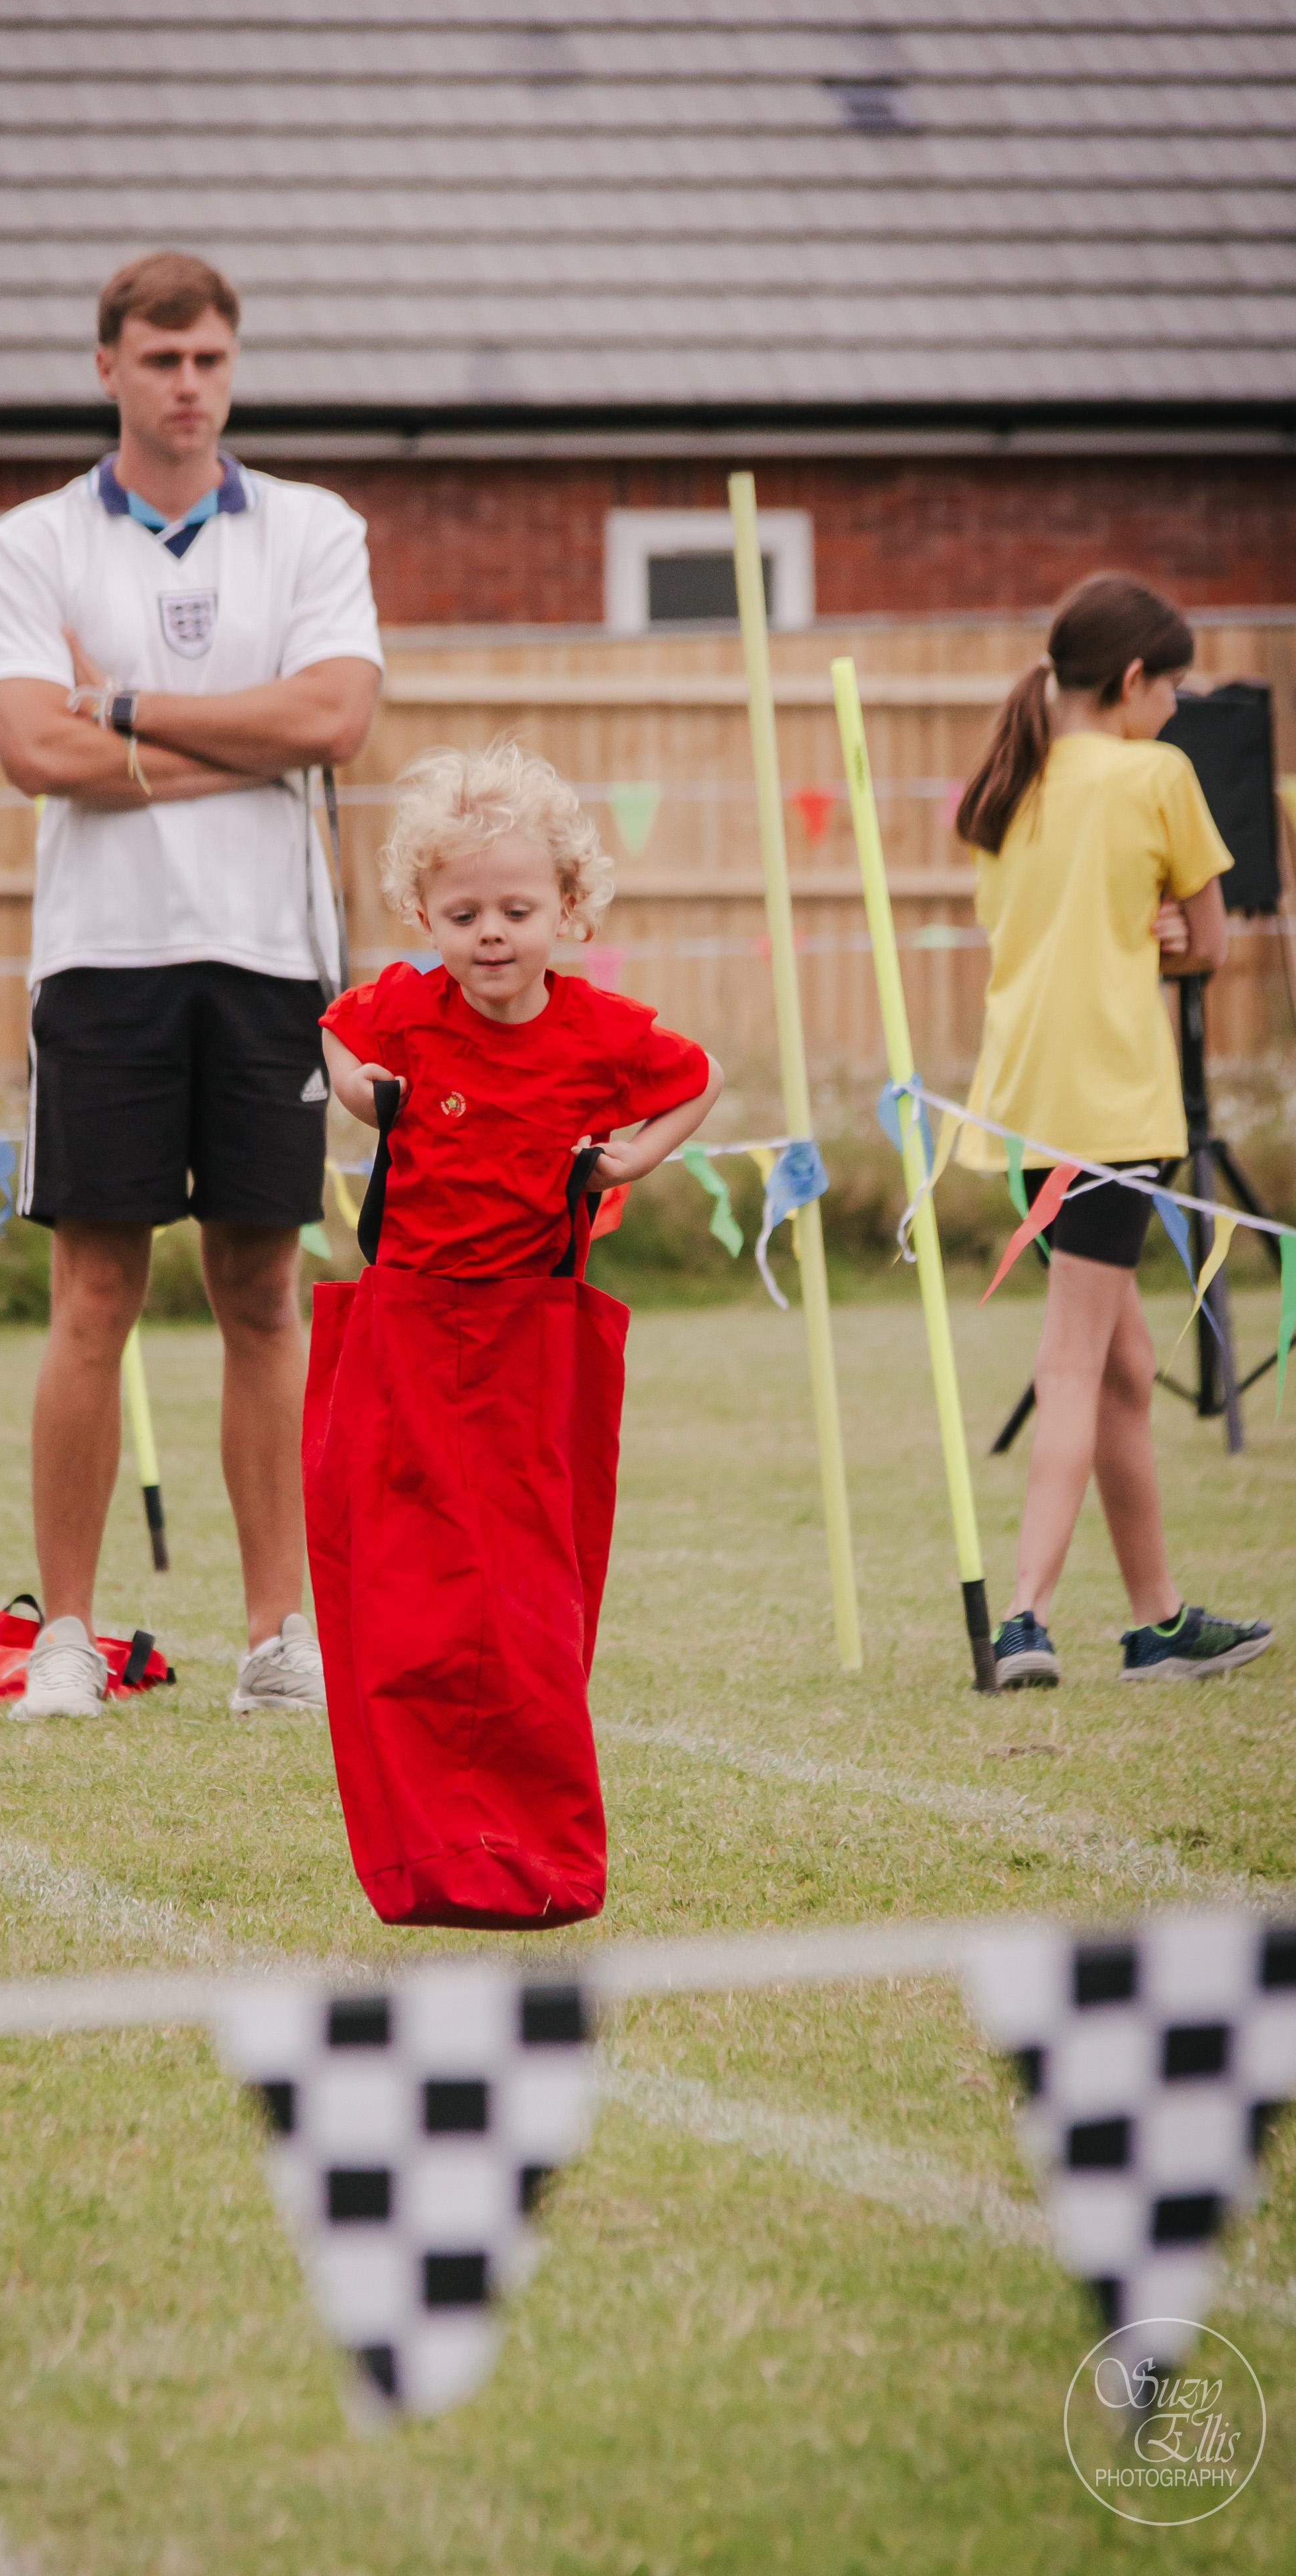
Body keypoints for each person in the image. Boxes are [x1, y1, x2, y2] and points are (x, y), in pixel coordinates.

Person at [0, 251, 384, 1722]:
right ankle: (67, 1641)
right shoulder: (33, 541)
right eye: (160, 359)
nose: (188, 384)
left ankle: (277, 1638)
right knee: (96, 1292)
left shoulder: (315, 527)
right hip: (102, 961)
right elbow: (35, 750)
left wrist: (134, 713)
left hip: (273, 960)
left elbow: (336, 718)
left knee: (263, 1291)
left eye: (209, 357)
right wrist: (245, 744)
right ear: (109, 368)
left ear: (232, 362)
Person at [307, 741, 723, 1925]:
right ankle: (428, 1848)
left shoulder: (599, 1033)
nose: (491, 934)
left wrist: (632, 1158)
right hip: (406, 1331)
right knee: (410, 1599)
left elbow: (700, 1076)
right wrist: (360, 1091)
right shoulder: (407, 1009)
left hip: (530, 1345)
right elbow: (333, 1027)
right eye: (463, 914)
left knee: (525, 1606)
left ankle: (537, 1844)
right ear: (423, 915)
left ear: (569, 909)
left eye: (517, 911)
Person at [954, 572, 1273, 1690]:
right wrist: (1165, 934)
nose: (1179, 708)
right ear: (1134, 679)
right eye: (1173, 687)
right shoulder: (1157, 775)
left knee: (1126, 1368)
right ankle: (1025, 1621)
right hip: (1110, 1113)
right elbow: (1212, 947)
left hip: (1022, 1112)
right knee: (1076, 1362)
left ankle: (1158, 1625)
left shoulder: (1012, 784)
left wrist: (1142, 927)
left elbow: (1046, 933)